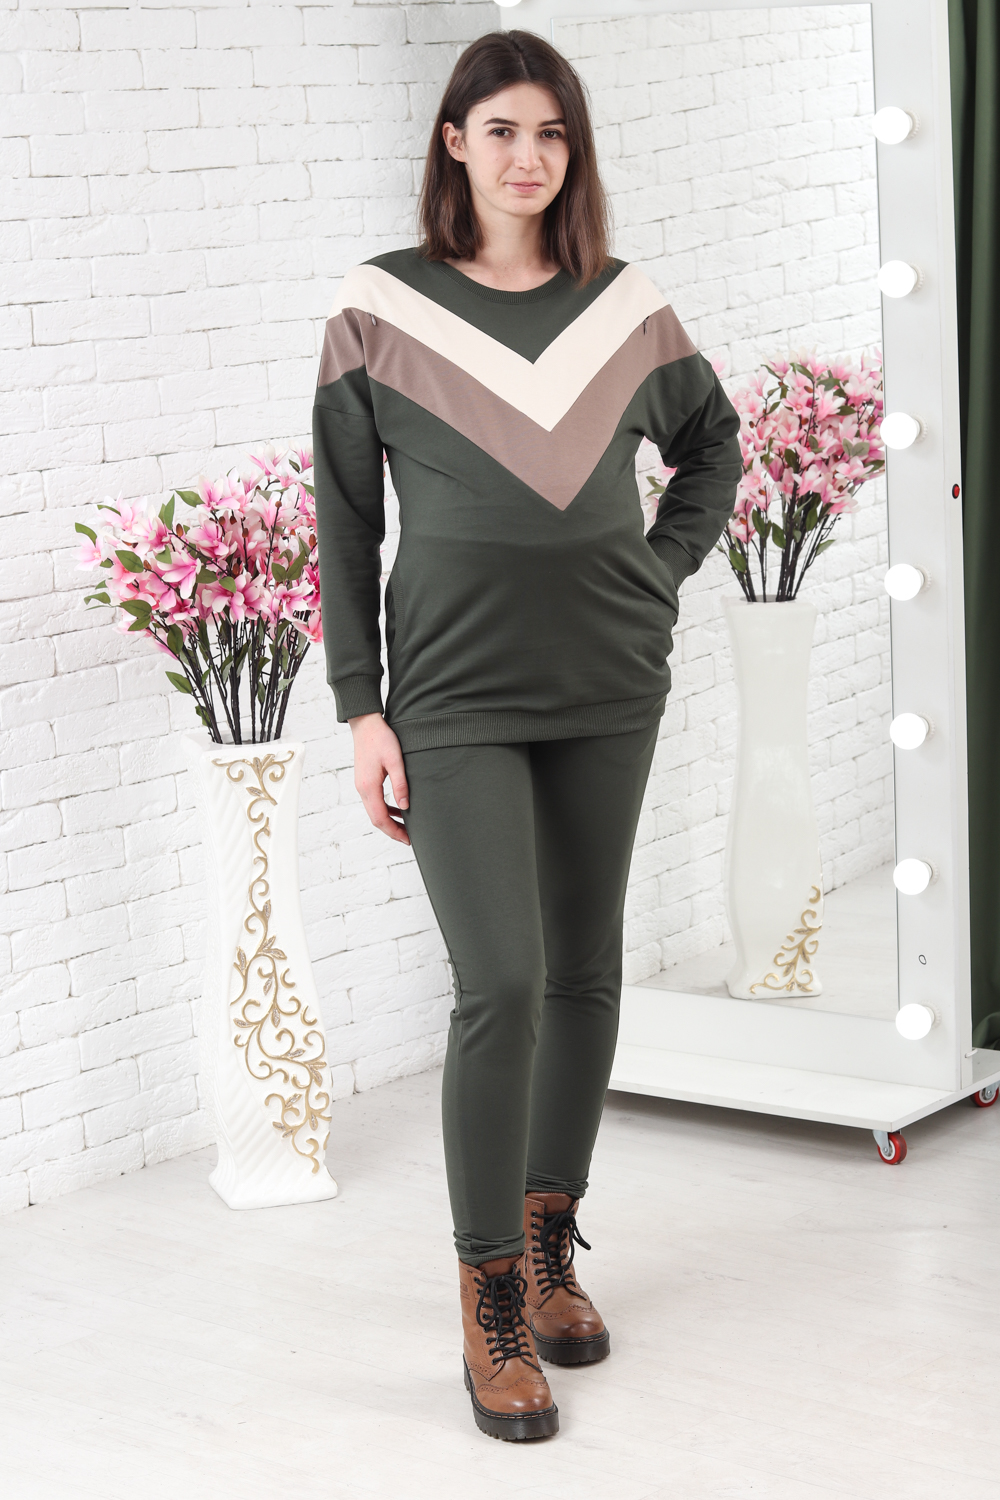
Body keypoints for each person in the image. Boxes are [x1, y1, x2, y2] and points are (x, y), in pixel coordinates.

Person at [312, 29, 741, 1442]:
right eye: (500, 129)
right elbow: (347, 520)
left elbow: (715, 444)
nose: (528, 156)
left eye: (551, 132)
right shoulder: (381, 307)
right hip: (449, 690)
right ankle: (488, 1292)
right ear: (455, 141)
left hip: (609, 677)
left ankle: (552, 1245)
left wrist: (659, 573)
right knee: (501, 981)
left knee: (586, 971)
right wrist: (362, 705)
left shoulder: (624, 307)